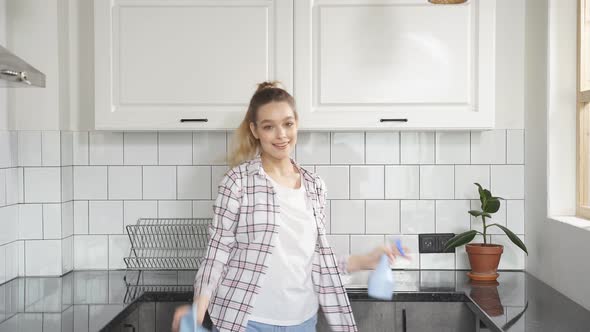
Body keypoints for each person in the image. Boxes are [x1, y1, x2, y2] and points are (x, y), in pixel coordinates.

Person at [172, 81, 407, 332]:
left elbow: (314, 260)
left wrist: (365, 260)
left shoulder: (315, 186)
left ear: (296, 122)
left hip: (302, 321)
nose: (281, 135)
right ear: (255, 130)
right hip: (245, 321)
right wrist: (198, 308)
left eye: (287, 124)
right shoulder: (237, 183)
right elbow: (217, 252)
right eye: (269, 127)